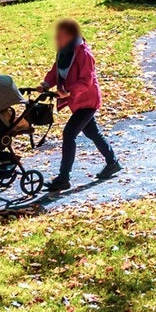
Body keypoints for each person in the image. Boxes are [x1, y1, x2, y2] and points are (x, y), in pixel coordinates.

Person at [40, 18, 120, 190]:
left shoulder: (84, 54)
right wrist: (46, 84)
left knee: (69, 134)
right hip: (76, 102)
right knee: (93, 133)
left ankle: (64, 178)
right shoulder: (64, 51)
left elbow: (87, 81)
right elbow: (57, 71)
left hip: (88, 101)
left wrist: (68, 91)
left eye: (60, 35)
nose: (57, 39)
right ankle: (113, 162)